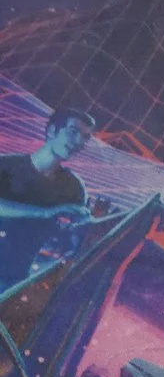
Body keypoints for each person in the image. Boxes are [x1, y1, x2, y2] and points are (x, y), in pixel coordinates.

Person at [0, 107, 95, 289]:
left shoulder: (74, 189)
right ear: (52, 130)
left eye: (85, 137)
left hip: (14, 280)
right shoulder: (5, 165)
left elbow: (70, 242)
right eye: (73, 132)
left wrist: (82, 228)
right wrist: (44, 213)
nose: (78, 142)